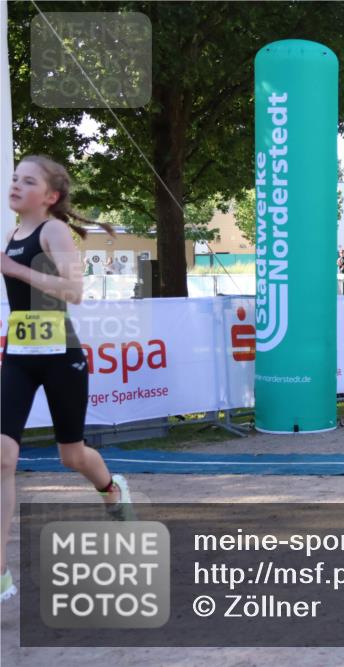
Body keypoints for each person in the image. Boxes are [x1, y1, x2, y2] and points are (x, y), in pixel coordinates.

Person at [1, 155, 136, 602]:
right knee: (3, 457)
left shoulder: (52, 231)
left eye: (27, 180)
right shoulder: (13, 233)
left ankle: (112, 489)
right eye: (14, 178)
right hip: (19, 355)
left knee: (71, 455)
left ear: (51, 196)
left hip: (62, 355)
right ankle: (1, 573)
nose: (16, 185)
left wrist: (14, 268)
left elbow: (74, 291)